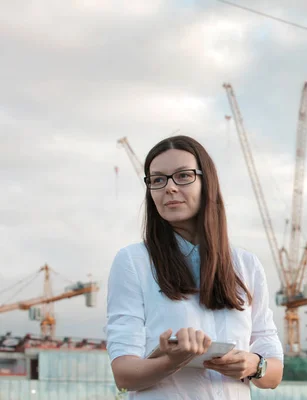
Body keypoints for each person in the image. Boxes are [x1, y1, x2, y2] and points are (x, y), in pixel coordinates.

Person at [105, 135, 284, 399]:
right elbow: (124, 374)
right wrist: (175, 359)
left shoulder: (247, 265)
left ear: (207, 183)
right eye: (157, 180)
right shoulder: (133, 261)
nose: (169, 188)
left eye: (183, 176)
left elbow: (273, 374)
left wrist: (253, 365)